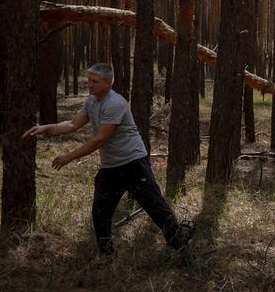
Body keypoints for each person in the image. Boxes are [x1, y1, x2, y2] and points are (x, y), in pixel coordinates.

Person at [23, 63, 194, 257]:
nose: (89, 85)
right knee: (100, 211)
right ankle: (106, 254)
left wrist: (69, 156)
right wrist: (46, 128)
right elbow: (72, 124)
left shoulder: (115, 103)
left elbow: (100, 138)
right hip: (111, 166)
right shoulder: (92, 101)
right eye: (88, 80)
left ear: (107, 84)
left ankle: (181, 244)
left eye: (94, 81)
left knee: (155, 206)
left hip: (133, 163)